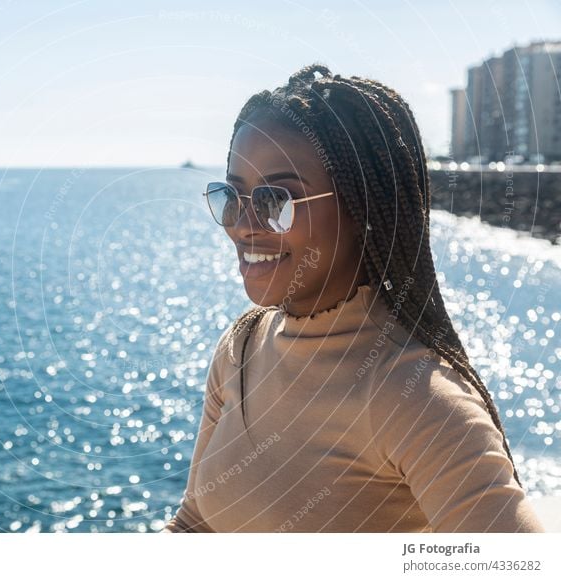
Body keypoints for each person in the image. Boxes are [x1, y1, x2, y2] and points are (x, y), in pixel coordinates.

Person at [162, 64, 545, 533]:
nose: (243, 224)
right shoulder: (242, 346)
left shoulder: (416, 397)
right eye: (232, 195)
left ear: (358, 206)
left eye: (275, 200)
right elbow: (195, 523)